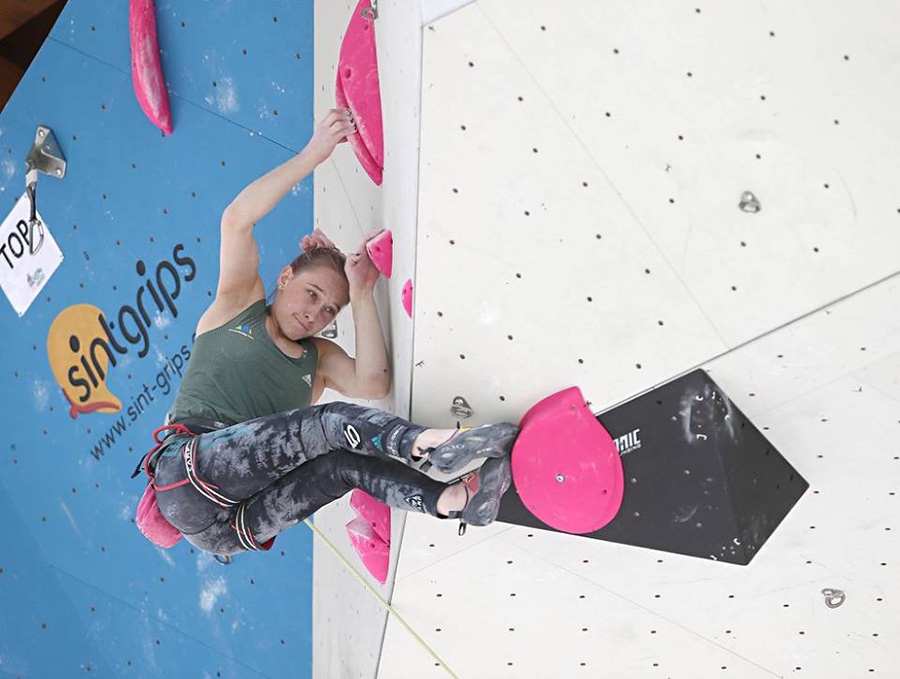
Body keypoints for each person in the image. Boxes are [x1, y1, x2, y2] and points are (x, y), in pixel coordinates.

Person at [146, 109, 519, 556]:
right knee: (325, 425)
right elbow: (236, 220)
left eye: (329, 310)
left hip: (227, 532)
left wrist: (360, 295)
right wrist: (313, 154)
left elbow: (373, 381)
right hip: (186, 475)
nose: (315, 314)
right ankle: (432, 444)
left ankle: (454, 499)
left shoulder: (317, 360)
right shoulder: (238, 305)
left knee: (342, 466)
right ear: (284, 277)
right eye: (311, 293)